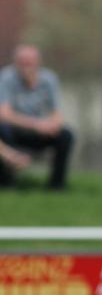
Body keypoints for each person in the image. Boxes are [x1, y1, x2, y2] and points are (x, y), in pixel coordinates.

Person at [0, 45, 75, 190]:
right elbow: (4, 115)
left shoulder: (49, 79)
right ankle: (7, 184)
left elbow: (56, 112)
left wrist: (53, 125)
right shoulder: (6, 78)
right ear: (15, 63)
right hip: (14, 130)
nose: (26, 67)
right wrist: (36, 124)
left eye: (29, 62)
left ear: (38, 63)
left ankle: (57, 186)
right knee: (2, 129)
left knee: (66, 135)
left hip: (39, 132)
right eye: (22, 62)